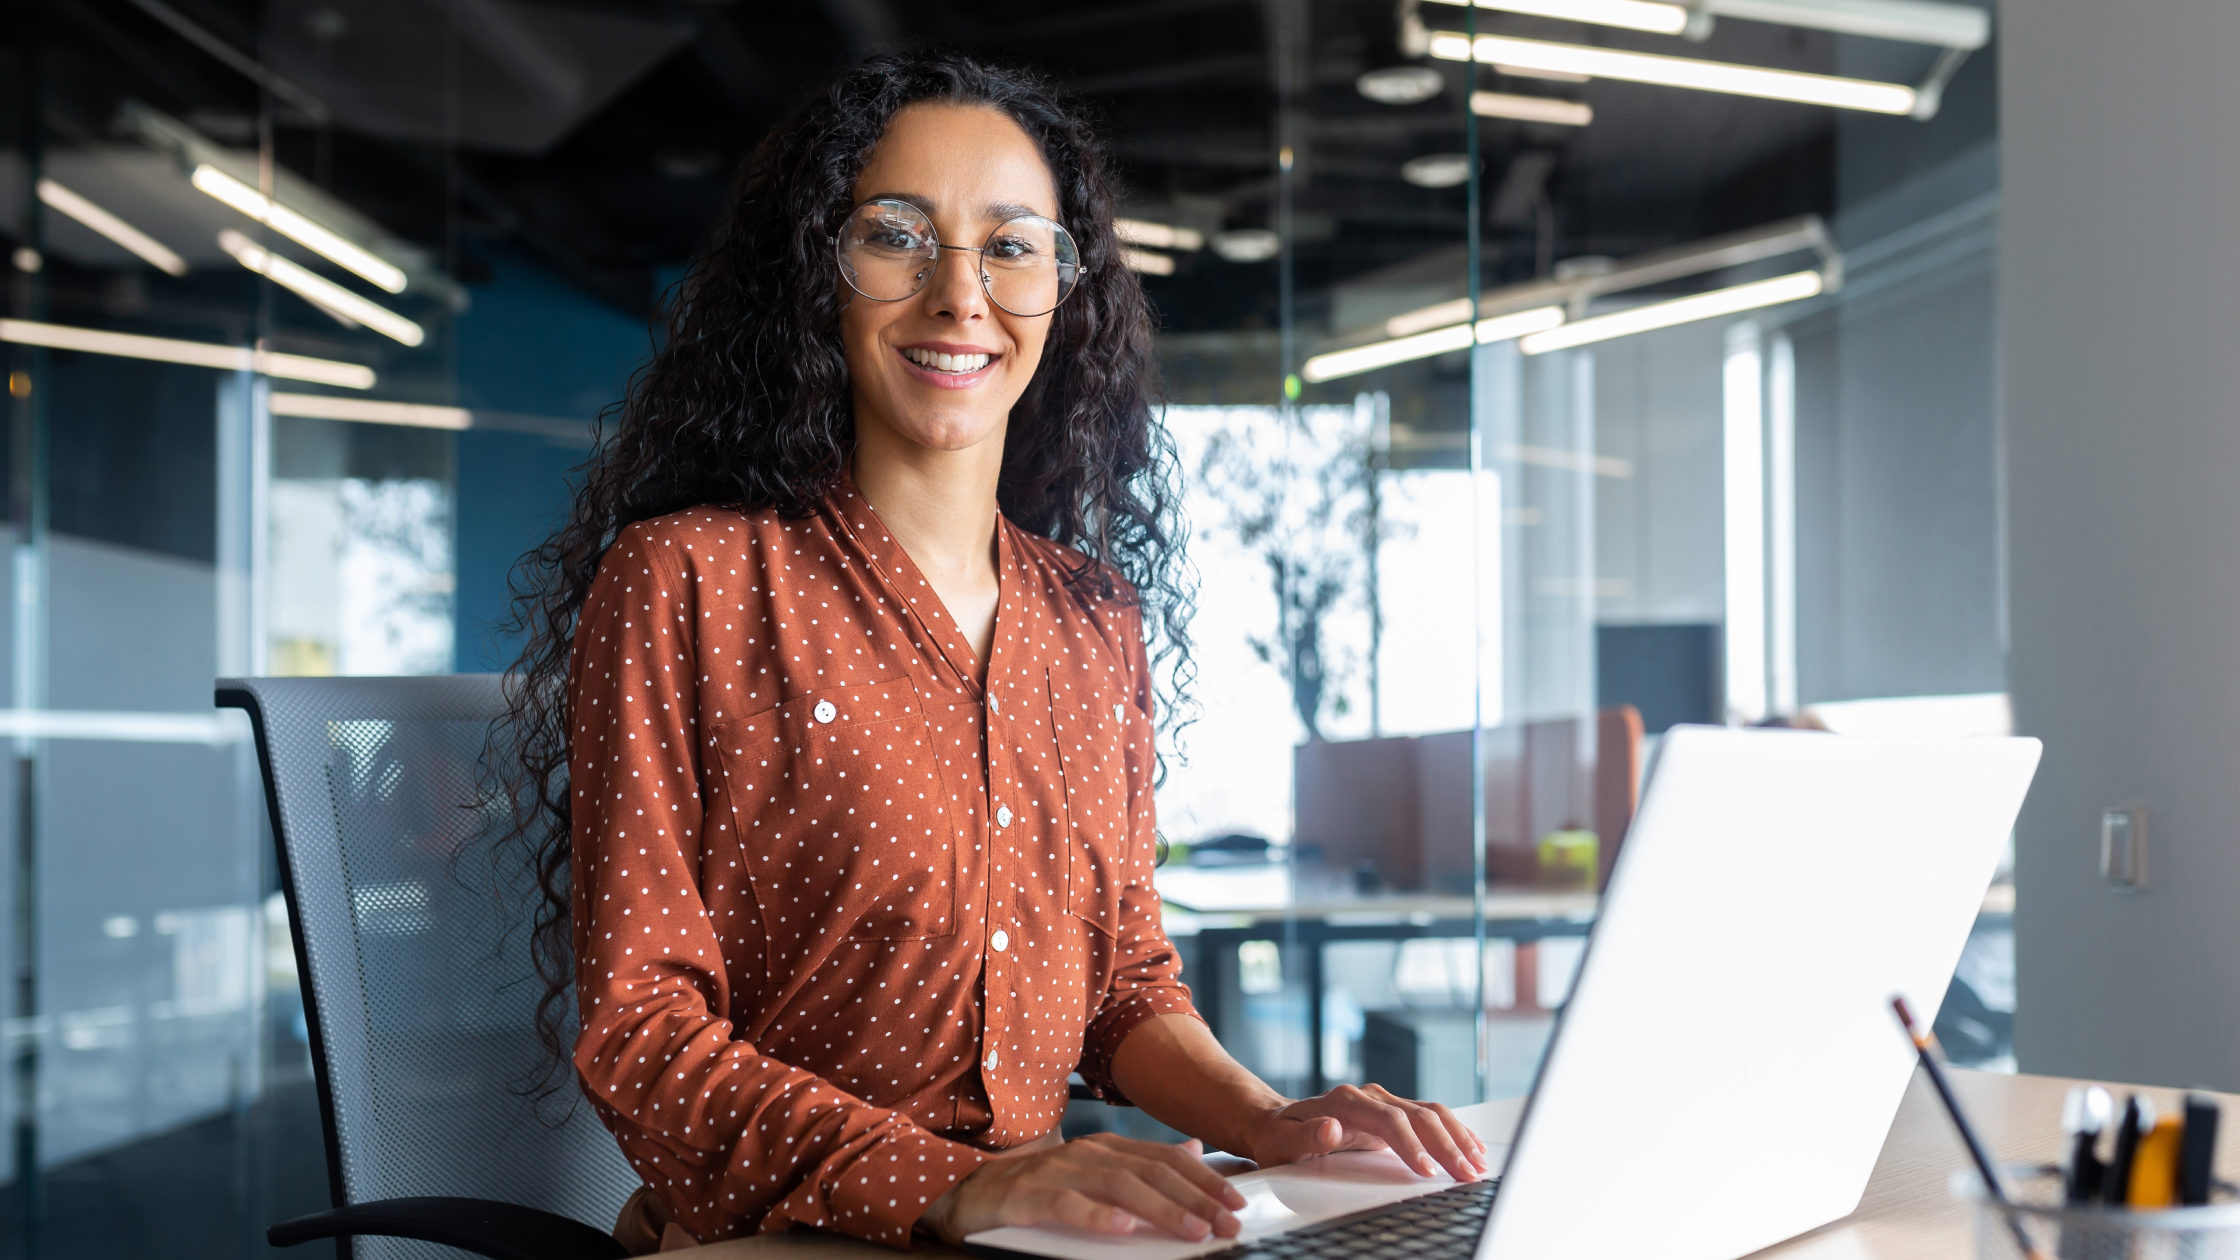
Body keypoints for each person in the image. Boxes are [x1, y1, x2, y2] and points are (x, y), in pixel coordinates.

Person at [496, 49, 1487, 1254]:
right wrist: (948, 1182)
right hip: (776, 1235)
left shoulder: (1090, 618)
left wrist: (1276, 1124)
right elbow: (642, 1032)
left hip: (1042, 1229)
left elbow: (1122, 984)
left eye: (1011, 247)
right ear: (819, 274)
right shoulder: (687, 580)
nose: (959, 296)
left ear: (1064, 292)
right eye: (896, 236)